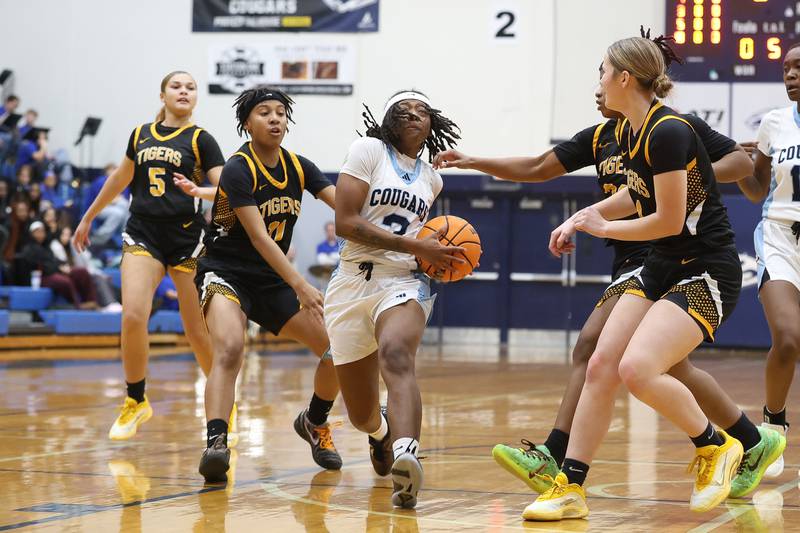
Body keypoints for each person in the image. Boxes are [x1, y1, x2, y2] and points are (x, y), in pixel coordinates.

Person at [435, 31, 778, 504]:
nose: (597, 81)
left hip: (704, 268)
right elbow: (635, 194)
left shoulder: (671, 130)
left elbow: (668, 218)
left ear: (623, 76)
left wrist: (601, 227)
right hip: (661, 264)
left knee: (638, 369)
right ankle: (568, 486)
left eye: (601, 71)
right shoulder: (629, 132)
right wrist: (583, 217)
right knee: (600, 363)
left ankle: (717, 446)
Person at [186, 86, 342, 483]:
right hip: (226, 271)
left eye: (280, 113)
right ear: (246, 123)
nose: (275, 119)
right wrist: (302, 286)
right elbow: (259, 237)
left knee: (336, 350)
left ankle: (314, 421)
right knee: (231, 348)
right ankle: (217, 443)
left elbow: (345, 207)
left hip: (270, 280)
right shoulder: (239, 168)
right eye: (264, 113)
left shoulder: (299, 166)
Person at [327, 89, 463, 508]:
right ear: (386, 120)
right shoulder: (367, 151)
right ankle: (382, 433)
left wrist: (437, 258)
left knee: (397, 355)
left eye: (421, 110)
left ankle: (407, 455)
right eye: (401, 109)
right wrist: (417, 247)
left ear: (431, 125)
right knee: (361, 415)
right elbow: (345, 223)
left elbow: (423, 240)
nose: (411, 114)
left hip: (401, 280)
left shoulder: (432, 178)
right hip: (350, 282)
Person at [73, 71, 225, 441]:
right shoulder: (140, 135)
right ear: (162, 95)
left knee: (197, 333)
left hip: (187, 239)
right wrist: (89, 215)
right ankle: (136, 400)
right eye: (177, 86)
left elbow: (224, 185)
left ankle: (224, 405)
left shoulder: (201, 139)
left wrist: (198, 188)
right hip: (143, 233)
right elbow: (120, 180)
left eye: (190, 87)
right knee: (133, 314)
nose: (184, 91)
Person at [736, 42, 800, 478]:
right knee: (789, 337)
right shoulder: (774, 124)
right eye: (785, 68)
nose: (790, 74)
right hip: (780, 236)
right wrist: (740, 160)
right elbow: (757, 190)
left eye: (799, 67)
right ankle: (773, 421)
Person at [19, 221, 97, 308]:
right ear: (31, 233)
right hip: (42, 277)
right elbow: (42, 266)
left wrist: (64, 266)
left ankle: (91, 301)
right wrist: (59, 269)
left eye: (42, 231)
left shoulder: (46, 246)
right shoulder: (28, 249)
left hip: (55, 271)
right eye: (37, 232)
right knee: (64, 281)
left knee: (81, 272)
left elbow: (54, 260)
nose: (40, 234)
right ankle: (77, 306)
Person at [51, 225, 121, 311]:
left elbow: (86, 261)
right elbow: (61, 265)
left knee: (102, 278)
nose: (66, 237)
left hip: (80, 274)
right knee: (95, 278)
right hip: (69, 274)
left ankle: (110, 304)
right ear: (58, 234)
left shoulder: (72, 245)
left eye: (68, 235)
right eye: (64, 235)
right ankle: (107, 303)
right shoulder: (55, 246)